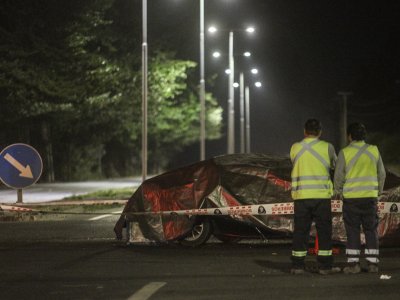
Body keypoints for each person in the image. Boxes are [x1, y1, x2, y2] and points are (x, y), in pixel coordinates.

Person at [290, 119, 340, 275]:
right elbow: (335, 167)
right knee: (324, 231)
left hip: (301, 196)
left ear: (304, 131)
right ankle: (325, 266)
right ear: (320, 132)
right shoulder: (328, 147)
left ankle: (297, 265)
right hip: (321, 197)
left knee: (300, 231)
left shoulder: (295, 148)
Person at [334, 122, 386, 274]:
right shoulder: (374, 150)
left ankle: (354, 265)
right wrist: (378, 192)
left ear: (349, 136)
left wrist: (338, 191)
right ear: (364, 135)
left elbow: (338, 176)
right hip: (369, 198)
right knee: (371, 230)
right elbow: (381, 174)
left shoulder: (345, 152)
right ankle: (372, 264)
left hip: (351, 199)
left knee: (352, 231)